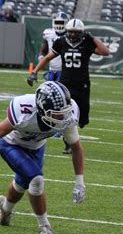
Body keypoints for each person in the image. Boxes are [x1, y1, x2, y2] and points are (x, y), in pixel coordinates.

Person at [0, 81, 86, 234]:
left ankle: (6, 208)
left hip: (37, 148)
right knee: (36, 180)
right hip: (12, 146)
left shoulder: (67, 114)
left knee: (21, 184)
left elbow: (76, 147)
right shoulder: (24, 111)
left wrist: (80, 182)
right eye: (57, 114)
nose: (63, 117)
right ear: (41, 109)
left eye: (64, 112)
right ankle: (44, 226)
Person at [27, 18, 110, 154]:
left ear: (82, 33)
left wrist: (93, 38)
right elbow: (47, 57)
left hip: (82, 83)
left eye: (75, 32)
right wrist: (34, 72)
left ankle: (76, 129)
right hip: (65, 83)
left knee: (83, 118)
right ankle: (68, 144)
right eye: (70, 32)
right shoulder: (61, 42)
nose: (72, 35)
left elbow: (105, 52)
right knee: (66, 114)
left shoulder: (87, 42)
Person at [39, 12, 69, 82]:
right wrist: (41, 56)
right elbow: (44, 49)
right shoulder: (48, 33)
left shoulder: (70, 35)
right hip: (51, 69)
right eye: (57, 22)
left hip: (64, 70)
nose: (59, 25)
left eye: (61, 22)